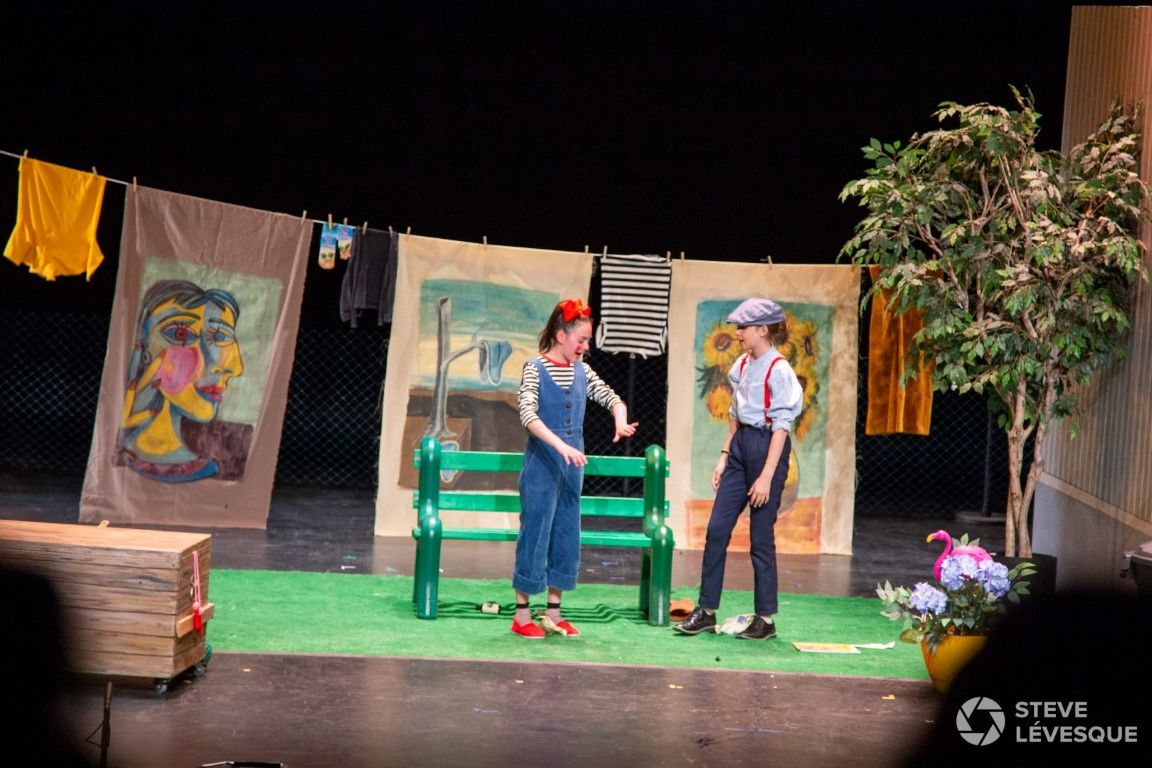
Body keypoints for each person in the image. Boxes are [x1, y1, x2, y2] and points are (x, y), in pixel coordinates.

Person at [675, 297, 803, 640]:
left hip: (767, 449)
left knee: (761, 538)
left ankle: (765, 619)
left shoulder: (779, 370)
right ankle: (706, 611)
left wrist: (766, 476)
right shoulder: (742, 365)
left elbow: (781, 427)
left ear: (762, 330)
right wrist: (723, 456)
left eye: (743, 327)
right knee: (717, 529)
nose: (738, 332)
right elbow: (735, 415)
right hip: (741, 447)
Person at [511, 297, 638, 639]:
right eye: (580, 340)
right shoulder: (535, 368)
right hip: (542, 465)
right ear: (560, 335)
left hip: (571, 469)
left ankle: (553, 611)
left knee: (566, 534)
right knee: (535, 533)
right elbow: (527, 414)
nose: (584, 347)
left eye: (587, 341)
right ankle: (522, 614)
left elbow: (612, 397)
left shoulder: (582, 370)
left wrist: (620, 418)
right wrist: (560, 445)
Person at [120, 278, 245, 482]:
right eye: (181, 334)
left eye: (221, 338)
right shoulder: (118, 452)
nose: (231, 367)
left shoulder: (223, 462)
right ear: (144, 350)